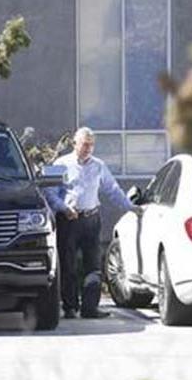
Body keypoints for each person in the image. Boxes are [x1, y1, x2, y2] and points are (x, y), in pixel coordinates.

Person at [45, 127, 142, 319]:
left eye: (91, 145)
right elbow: (49, 192)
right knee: (68, 265)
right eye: (85, 144)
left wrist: (130, 207)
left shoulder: (98, 165)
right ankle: (70, 307)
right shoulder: (60, 164)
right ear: (75, 143)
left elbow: (112, 189)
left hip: (91, 219)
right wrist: (64, 208)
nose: (88, 148)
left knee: (93, 265)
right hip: (69, 220)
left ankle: (90, 308)